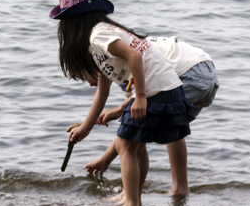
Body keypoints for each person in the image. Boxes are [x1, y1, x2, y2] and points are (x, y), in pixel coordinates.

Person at [52, 0, 197, 206]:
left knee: (124, 145)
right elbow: (103, 90)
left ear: (72, 22)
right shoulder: (105, 34)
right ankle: (133, 201)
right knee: (136, 146)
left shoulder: (98, 35)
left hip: (153, 92)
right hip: (169, 89)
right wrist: (85, 127)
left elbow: (134, 55)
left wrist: (139, 97)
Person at [84, 36, 220, 197]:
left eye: (80, 76)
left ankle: (130, 197)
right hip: (206, 70)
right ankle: (179, 188)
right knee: (172, 125)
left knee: (138, 132)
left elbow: (133, 124)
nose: (88, 83)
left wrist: (106, 158)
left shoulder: (116, 59)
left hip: (189, 73)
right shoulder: (123, 51)